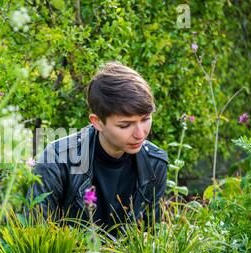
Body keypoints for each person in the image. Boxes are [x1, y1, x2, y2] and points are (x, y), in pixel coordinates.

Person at [26, 61, 168, 234]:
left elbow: (152, 233)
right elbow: (35, 234)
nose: (140, 134)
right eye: (125, 125)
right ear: (97, 122)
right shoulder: (57, 158)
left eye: (145, 119)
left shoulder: (155, 162)